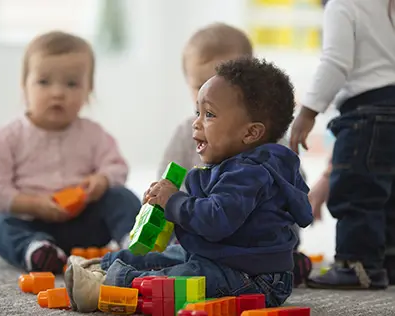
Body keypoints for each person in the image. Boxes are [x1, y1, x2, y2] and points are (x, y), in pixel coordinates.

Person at [64, 57, 313, 313]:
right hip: (222, 259)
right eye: (198, 112)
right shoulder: (234, 165)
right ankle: (101, 266)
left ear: (250, 133)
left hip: (255, 278)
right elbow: (202, 218)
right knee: (167, 256)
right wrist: (163, 204)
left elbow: (215, 221)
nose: (196, 122)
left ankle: (106, 285)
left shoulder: (250, 174)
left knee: (178, 277)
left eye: (210, 115)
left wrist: (174, 201)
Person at [157, 22, 311, 287]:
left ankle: (283, 264)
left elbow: (294, 196)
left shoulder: (269, 147)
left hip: (249, 243)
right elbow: (167, 183)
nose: (209, 96)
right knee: (168, 252)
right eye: (199, 87)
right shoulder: (187, 132)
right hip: (200, 226)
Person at [0, 31, 141, 274]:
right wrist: (33, 204)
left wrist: (102, 179)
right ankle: (37, 251)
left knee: (122, 197)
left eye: (71, 83)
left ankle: (134, 245)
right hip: (30, 223)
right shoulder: (8, 137)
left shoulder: (93, 133)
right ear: (25, 86)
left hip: (84, 225)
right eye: (44, 82)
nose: (58, 93)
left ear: (88, 90)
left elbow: (117, 166)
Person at [290, 0, 395, 289]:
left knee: (356, 190)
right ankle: (387, 262)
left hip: (366, 113)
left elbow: (336, 62)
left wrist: (308, 112)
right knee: (387, 193)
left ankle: (357, 266)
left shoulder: (342, 5)